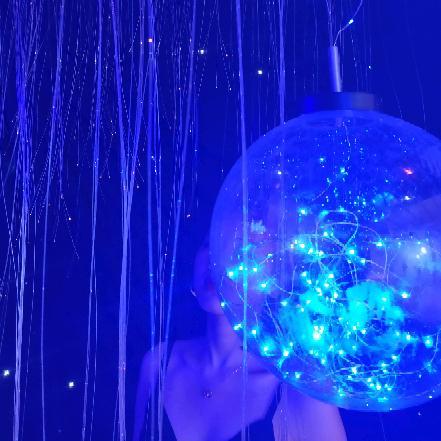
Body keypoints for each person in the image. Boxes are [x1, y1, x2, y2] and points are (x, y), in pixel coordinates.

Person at [133, 239, 347, 441]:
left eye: (245, 248)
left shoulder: (299, 386)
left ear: (275, 281)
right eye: (210, 243)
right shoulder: (159, 363)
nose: (220, 259)